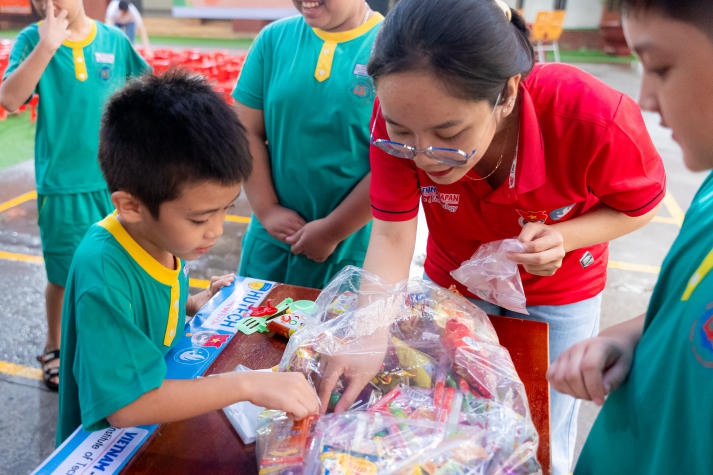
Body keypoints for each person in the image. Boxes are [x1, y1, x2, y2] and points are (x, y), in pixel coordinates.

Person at [317, 0, 667, 473]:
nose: (423, 156)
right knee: (454, 416)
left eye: (449, 132)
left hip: (559, 290)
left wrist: (565, 237)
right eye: (403, 133)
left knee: (543, 428)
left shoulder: (590, 115)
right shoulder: (398, 119)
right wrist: (367, 335)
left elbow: (637, 207)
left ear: (506, 94)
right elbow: (394, 236)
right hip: (457, 281)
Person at [56, 70, 320, 445]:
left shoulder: (159, 234)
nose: (216, 230)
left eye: (225, 209)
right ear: (131, 205)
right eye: (200, 218)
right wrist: (246, 384)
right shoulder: (104, 269)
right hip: (108, 447)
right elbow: (128, 406)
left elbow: (143, 316)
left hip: (158, 425)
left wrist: (192, 304)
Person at [546, 1, 713, 473]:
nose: (645, 97)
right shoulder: (707, 193)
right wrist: (632, 336)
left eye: (661, 67)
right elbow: (689, 308)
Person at [0, 0, 150, 392]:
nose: (50, 2)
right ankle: (56, 346)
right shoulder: (33, 39)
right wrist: (47, 45)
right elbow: (11, 99)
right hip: (63, 185)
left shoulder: (114, 41)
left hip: (115, 182)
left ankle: (115, 343)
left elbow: (145, 93)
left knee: (120, 266)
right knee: (63, 274)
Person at [232, 0, 383, 289]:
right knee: (251, 332)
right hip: (272, 241)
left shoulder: (393, 49)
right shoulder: (273, 40)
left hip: (350, 248)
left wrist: (333, 231)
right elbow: (245, 130)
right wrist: (266, 209)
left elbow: (395, 159)